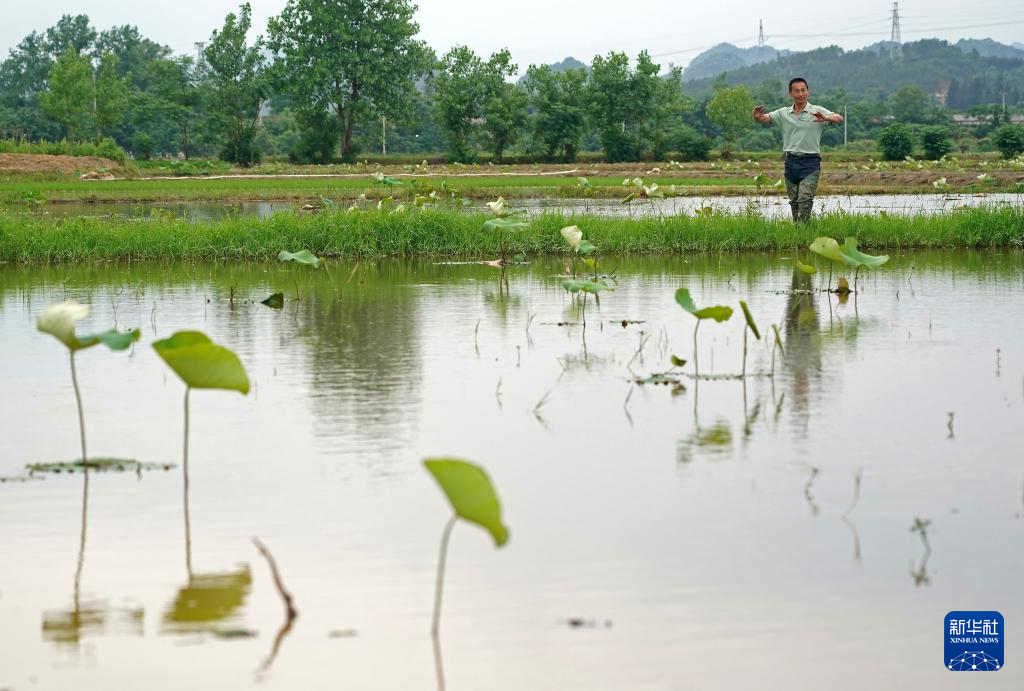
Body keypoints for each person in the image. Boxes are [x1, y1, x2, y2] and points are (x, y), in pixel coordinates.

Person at [752, 77, 843, 222]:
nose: (800, 94)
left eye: (803, 90)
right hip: (791, 162)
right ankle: (798, 231)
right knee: (794, 202)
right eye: (797, 91)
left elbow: (839, 118)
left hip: (810, 163)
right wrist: (757, 116)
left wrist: (825, 118)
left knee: (805, 200)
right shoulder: (783, 113)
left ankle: (804, 230)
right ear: (790, 93)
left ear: (808, 91)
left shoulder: (816, 110)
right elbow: (764, 118)